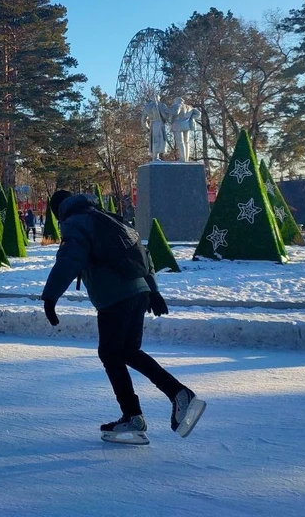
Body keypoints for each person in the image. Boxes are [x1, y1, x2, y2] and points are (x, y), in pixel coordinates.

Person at [41, 189, 206, 445]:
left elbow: (69, 259)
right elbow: (142, 252)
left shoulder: (75, 223)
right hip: (138, 292)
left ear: (59, 210)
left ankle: (146, 409)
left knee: (110, 354)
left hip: (114, 296)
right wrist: (152, 290)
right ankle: (170, 398)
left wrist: (50, 297)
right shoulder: (108, 217)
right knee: (127, 351)